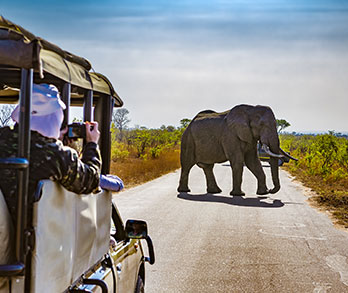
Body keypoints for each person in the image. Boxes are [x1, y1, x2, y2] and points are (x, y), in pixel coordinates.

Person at [0, 83, 102, 225]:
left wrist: (56, 139)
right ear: (54, 116)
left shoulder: (3, 138)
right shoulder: (57, 155)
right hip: (35, 242)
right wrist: (92, 144)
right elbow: (91, 181)